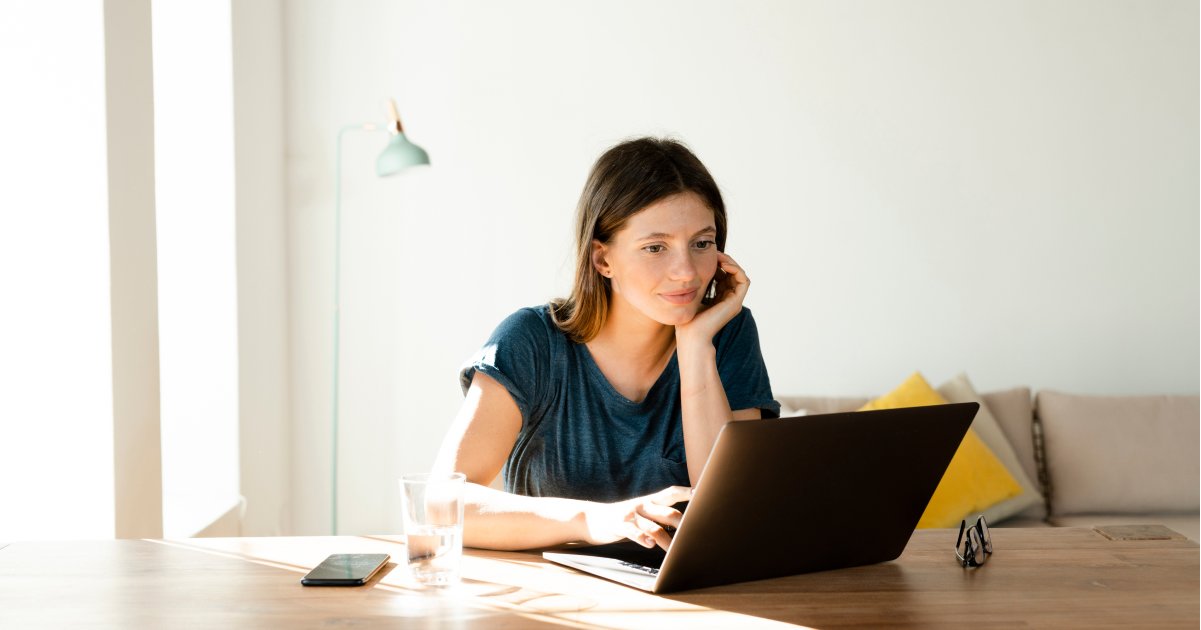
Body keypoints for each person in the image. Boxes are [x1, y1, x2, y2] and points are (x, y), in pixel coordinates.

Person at [432, 137, 779, 552]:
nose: (686, 272)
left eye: (701, 243)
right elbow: (443, 503)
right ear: (602, 259)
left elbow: (733, 511)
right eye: (655, 247)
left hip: (678, 602)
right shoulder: (531, 341)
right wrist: (591, 518)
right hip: (551, 600)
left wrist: (696, 345)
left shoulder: (727, 333)